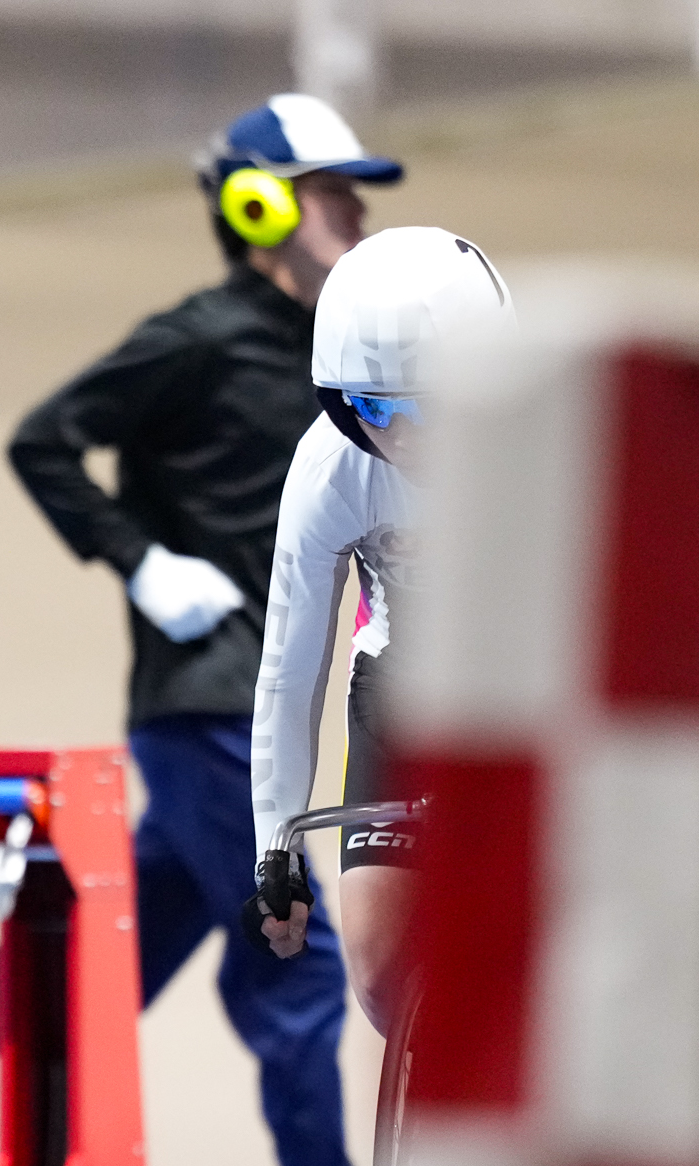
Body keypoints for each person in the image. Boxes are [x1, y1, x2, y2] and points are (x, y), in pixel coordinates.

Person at [0, 94, 399, 1166]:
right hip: (208, 704)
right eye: (331, 191)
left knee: (99, 959)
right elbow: (44, 438)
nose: (354, 211)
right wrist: (139, 559)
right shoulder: (194, 337)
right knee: (291, 963)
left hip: (270, 693)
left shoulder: (346, 360)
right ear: (255, 206)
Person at [247, 226, 515, 1040]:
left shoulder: (548, 434)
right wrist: (275, 848)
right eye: (375, 409)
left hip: (531, 670)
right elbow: (292, 669)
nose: (404, 437)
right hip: (403, 677)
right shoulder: (332, 470)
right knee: (377, 961)